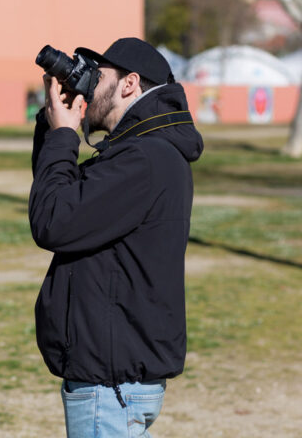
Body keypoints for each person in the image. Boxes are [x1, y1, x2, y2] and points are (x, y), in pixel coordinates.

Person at [29, 37, 204, 438]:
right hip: (114, 377)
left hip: (110, 385)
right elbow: (60, 195)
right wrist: (52, 125)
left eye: (98, 76)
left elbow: (53, 221)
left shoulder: (143, 158)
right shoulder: (144, 152)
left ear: (129, 84)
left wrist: (64, 137)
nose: (88, 88)